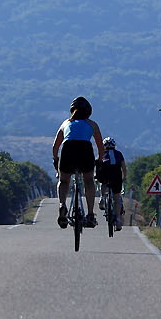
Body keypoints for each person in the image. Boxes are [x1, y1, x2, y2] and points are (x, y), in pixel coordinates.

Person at [52, 96, 106, 229]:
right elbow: (100, 147)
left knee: (64, 180)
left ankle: (62, 205)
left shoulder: (65, 123)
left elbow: (55, 146)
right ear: (88, 112)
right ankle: (90, 214)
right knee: (88, 181)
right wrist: (99, 161)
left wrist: (56, 160)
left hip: (67, 149)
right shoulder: (92, 124)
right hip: (85, 150)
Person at [96, 136, 127, 229]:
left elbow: (97, 166)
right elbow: (124, 168)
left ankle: (102, 197)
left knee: (103, 182)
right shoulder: (119, 154)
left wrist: (97, 177)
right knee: (117, 198)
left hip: (105, 173)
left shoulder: (101, 153)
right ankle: (118, 219)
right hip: (116, 175)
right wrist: (124, 178)